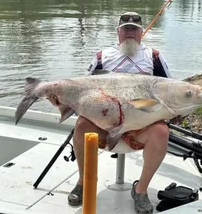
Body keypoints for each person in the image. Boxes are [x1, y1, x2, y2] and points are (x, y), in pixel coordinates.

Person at [68, 12, 177, 214]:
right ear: (118, 32)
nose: (129, 33)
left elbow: (169, 90)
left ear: (141, 33)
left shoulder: (154, 57)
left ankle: (140, 190)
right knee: (82, 124)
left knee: (161, 132)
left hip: (141, 127)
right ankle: (84, 181)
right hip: (105, 125)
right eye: (125, 29)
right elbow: (84, 90)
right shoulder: (102, 57)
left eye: (134, 29)